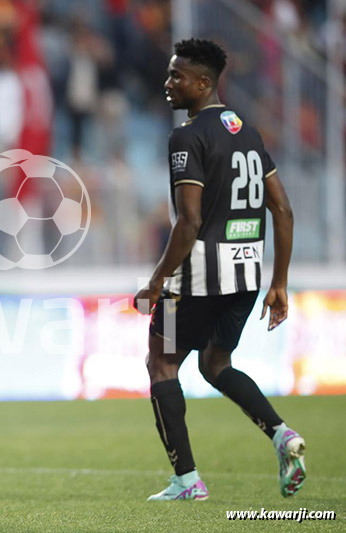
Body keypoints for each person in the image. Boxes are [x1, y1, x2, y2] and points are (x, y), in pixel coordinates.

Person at [133, 38, 304, 501]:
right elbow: (283, 211)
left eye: (177, 76)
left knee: (162, 363)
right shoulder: (246, 131)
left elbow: (188, 222)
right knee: (214, 362)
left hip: (196, 276)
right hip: (246, 275)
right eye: (169, 74)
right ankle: (282, 436)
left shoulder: (187, 135)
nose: (168, 83)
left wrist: (156, 281)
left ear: (203, 83)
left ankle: (187, 481)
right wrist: (279, 283)